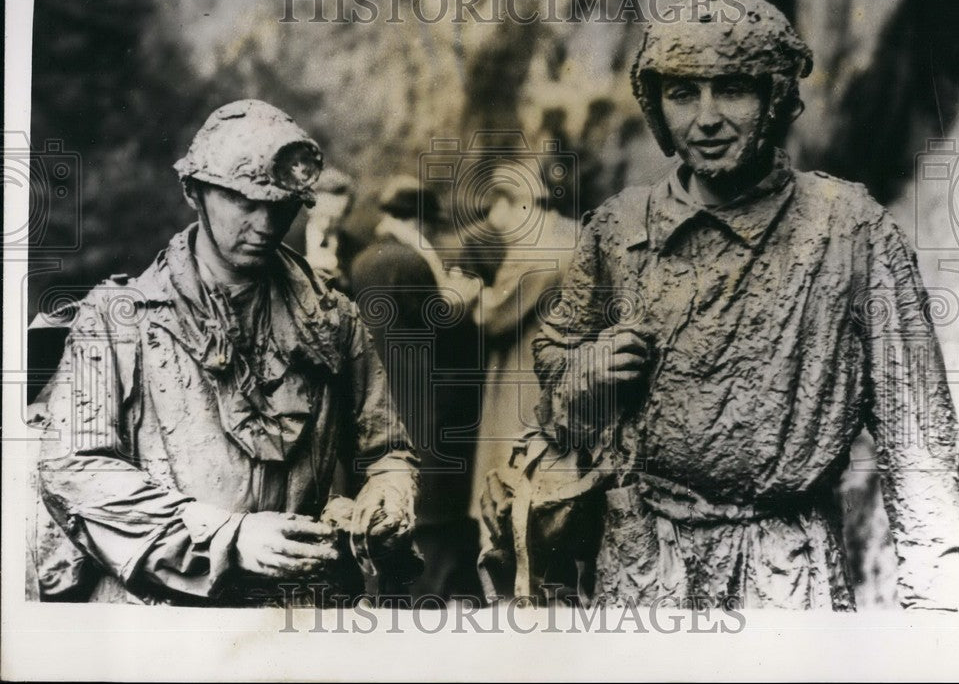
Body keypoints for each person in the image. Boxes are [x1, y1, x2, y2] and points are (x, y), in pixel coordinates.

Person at [484, 0, 959, 611]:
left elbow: (918, 441)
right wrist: (586, 373)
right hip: (642, 564)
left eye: (732, 88)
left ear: (775, 98)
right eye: (682, 93)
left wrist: (939, 607)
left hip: (786, 568)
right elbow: (556, 393)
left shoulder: (851, 230)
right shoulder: (618, 228)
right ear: (656, 107)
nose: (705, 118)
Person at [31, 100, 419, 606]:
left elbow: (387, 450)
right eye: (243, 202)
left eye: (281, 207)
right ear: (194, 192)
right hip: (162, 619)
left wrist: (387, 497)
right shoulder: (115, 319)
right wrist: (228, 539)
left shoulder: (335, 321)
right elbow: (75, 468)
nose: (265, 224)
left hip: (297, 619)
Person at [349, 176, 483, 601]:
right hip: (424, 397)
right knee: (432, 510)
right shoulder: (410, 261)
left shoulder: (366, 259)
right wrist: (464, 299)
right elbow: (440, 330)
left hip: (383, 393)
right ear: (419, 220)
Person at [469, 162, 577, 547]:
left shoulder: (533, 248)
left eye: (499, 209)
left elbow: (492, 316)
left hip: (523, 382)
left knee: (506, 494)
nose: (496, 222)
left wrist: (469, 295)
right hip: (565, 380)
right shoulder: (573, 232)